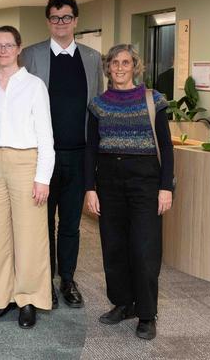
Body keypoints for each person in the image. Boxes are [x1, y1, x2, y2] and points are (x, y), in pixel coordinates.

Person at [85, 44, 173, 341]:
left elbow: (167, 146)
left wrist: (166, 187)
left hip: (145, 183)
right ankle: (123, 303)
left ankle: (147, 313)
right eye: (114, 63)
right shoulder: (98, 104)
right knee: (114, 247)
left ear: (135, 66)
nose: (120, 68)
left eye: (126, 62)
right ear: (107, 68)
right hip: (109, 183)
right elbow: (90, 150)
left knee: (144, 248)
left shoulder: (154, 100)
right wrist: (90, 188)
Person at [21, 0, 103, 308]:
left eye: (66, 17)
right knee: (42, 223)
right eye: (55, 18)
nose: (60, 23)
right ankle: (45, 281)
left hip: (78, 154)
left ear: (76, 21)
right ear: (48, 21)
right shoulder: (31, 55)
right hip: (44, 156)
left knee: (70, 224)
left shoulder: (93, 59)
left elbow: (95, 108)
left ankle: (67, 280)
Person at [0, 25, 55, 329]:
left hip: (27, 162)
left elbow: (46, 136)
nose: (2, 50)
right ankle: (1, 298)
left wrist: (43, 178)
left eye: (8, 45)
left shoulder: (34, 85)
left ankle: (28, 299)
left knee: (30, 236)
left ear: (19, 48)